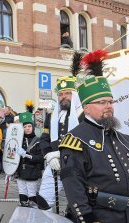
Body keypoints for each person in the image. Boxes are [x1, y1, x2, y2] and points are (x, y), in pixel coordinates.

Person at [60, 49, 129, 223]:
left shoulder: (123, 138)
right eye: (101, 102)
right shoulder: (75, 140)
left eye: (110, 101)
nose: (108, 106)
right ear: (86, 108)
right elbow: (74, 189)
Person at [37, 51, 84, 211]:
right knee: (43, 199)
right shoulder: (52, 116)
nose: (64, 97)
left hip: (77, 165)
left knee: (76, 204)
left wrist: (60, 153)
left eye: (68, 93)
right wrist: (49, 156)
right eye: (61, 94)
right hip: (54, 163)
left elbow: (84, 140)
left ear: (75, 95)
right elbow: (44, 138)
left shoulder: (83, 115)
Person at [16, 102, 44, 207]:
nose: (27, 128)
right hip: (20, 171)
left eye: (29, 126)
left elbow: (40, 158)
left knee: (32, 196)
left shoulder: (38, 140)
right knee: (22, 194)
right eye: (25, 126)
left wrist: (27, 155)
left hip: (32, 170)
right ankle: (23, 217)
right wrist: (9, 168)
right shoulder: (19, 140)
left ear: (32, 127)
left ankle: (33, 218)